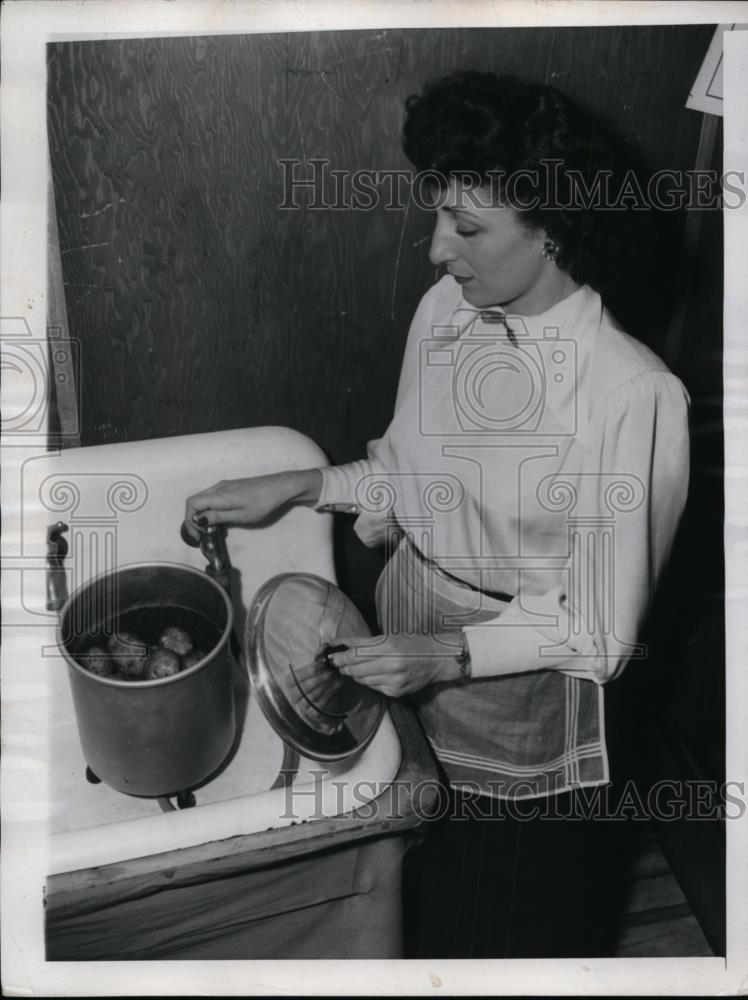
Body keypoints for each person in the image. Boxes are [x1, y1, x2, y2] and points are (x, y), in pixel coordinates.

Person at [185, 72, 690, 957]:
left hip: (519, 689)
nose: (434, 250)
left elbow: (604, 633)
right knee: (417, 872)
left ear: (553, 232)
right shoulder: (446, 315)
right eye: (437, 214)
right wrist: (304, 487)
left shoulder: (633, 393)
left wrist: (450, 653)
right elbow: (406, 478)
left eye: (466, 227)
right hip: (407, 626)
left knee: (506, 911)